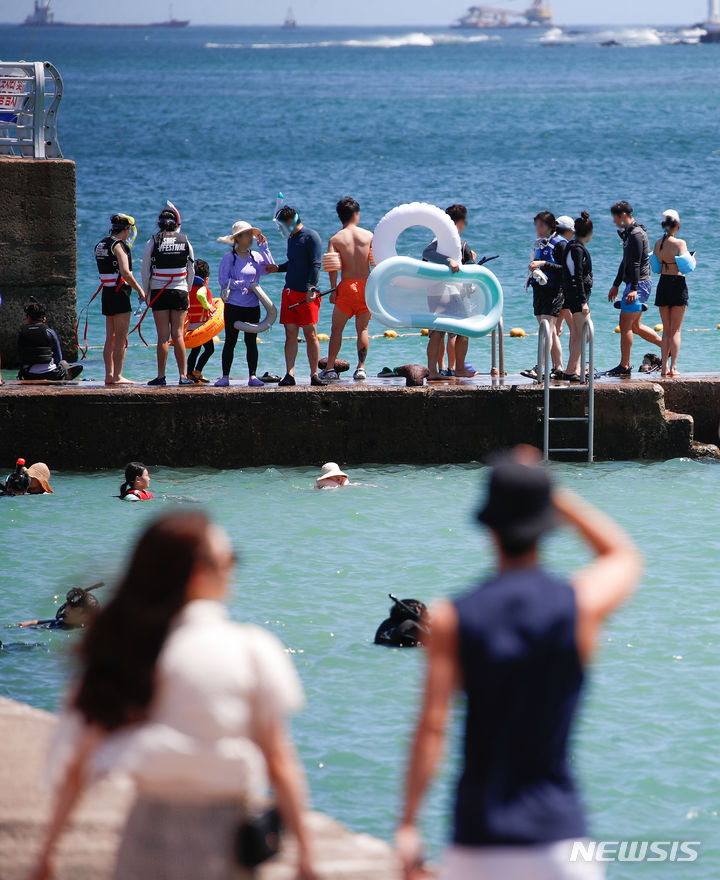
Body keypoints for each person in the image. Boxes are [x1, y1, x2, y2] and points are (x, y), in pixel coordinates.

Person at [396, 446, 642, 880]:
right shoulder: (576, 607)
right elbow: (623, 557)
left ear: (489, 528)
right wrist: (550, 490)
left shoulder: (454, 616)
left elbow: (432, 727)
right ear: (547, 526)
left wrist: (409, 823)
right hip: (560, 841)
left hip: (478, 838)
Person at [29, 511, 317, 880]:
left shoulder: (125, 651)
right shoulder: (250, 649)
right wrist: (306, 854)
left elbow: (76, 766)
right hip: (223, 839)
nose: (233, 569)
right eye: (231, 560)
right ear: (200, 572)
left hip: (141, 839)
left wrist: (47, 852)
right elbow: (280, 761)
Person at [266, 205, 327, 387]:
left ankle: (314, 374)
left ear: (291, 222)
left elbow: (316, 264)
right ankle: (289, 374)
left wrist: (311, 288)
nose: (281, 230)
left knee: (311, 334)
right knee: (290, 333)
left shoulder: (311, 236)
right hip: (289, 292)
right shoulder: (291, 238)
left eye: (282, 225)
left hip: (306, 294)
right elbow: (294, 263)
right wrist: (278, 268)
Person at [319, 197, 374, 382]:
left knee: (337, 330)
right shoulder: (369, 236)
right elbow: (377, 261)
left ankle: (330, 368)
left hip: (347, 287)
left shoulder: (335, 239)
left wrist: (334, 290)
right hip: (366, 286)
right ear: (356, 215)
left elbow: (333, 267)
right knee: (363, 329)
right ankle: (361, 368)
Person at [215, 221, 276, 388]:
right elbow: (223, 281)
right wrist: (244, 284)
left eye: (252, 234)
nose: (251, 238)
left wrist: (265, 248)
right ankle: (225, 377)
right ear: (238, 238)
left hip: (252, 306)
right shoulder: (229, 258)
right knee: (230, 341)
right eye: (247, 235)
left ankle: (253, 376)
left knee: (251, 341)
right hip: (234, 306)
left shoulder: (256, 256)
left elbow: (270, 268)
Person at [141, 206, 195, 386]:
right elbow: (191, 270)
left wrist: (147, 293)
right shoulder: (185, 240)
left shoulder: (153, 241)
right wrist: (186, 291)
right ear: (176, 224)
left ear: (159, 224)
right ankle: (183, 376)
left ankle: (161, 376)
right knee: (178, 335)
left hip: (159, 292)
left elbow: (145, 270)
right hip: (179, 290)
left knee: (163, 336)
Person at [606, 201, 661, 377]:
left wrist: (634, 289)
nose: (614, 221)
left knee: (625, 324)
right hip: (634, 284)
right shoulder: (629, 233)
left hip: (639, 285)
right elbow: (625, 262)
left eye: (615, 217)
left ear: (622, 215)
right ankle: (666, 348)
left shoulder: (636, 234)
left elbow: (636, 262)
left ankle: (624, 366)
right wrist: (616, 284)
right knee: (635, 326)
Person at [423, 205, 478, 380]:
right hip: (446, 292)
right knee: (462, 330)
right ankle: (457, 368)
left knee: (438, 331)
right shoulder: (447, 239)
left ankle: (434, 371)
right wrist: (450, 261)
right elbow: (426, 253)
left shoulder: (446, 240)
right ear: (460, 223)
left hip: (436, 292)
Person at [94, 213, 146, 385]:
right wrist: (140, 290)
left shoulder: (101, 244)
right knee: (121, 338)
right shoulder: (118, 246)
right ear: (126, 229)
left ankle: (109, 374)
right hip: (119, 293)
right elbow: (125, 272)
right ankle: (117, 376)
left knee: (110, 337)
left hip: (107, 293)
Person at [652, 209, 695, 378]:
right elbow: (687, 267)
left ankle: (664, 367)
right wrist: (694, 259)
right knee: (676, 330)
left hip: (662, 284)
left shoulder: (657, 244)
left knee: (666, 330)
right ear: (677, 225)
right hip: (677, 284)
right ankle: (673, 368)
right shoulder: (680, 243)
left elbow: (656, 267)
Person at [522, 212, 565, 380]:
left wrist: (543, 264)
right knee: (550, 331)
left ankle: (540, 366)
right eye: (536, 226)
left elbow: (565, 270)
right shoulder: (539, 245)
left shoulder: (560, 244)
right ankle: (559, 368)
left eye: (541, 226)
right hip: (539, 290)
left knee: (546, 329)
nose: (538, 229)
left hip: (554, 291)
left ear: (551, 226)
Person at [560, 211, 594, 382]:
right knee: (585, 334)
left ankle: (574, 368)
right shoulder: (577, 250)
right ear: (588, 233)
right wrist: (582, 301)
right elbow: (577, 276)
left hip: (573, 295)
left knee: (579, 334)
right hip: (577, 297)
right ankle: (570, 369)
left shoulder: (571, 247)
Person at [17, 299, 83, 382]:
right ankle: (67, 377)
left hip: (29, 375)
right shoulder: (49, 332)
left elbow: (20, 357)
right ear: (44, 319)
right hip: (51, 374)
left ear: (28, 318)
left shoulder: (22, 333)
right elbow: (58, 358)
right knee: (64, 363)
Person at [18, 584, 102, 630]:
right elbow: (37, 622)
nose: (67, 609)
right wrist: (25, 625)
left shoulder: (78, 631)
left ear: (84, 617)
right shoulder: (65, 622)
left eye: (72, 608)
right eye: (67, 604)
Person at [185, 259, 216, 384]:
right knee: (209, 350)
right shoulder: (203, 289)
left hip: (191, 325)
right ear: (206, 278)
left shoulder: (188, 289)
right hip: (201, 326)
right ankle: (197, 371)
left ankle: (189, 373)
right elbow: (201, 296)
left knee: (195, 350)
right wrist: (210, 307)